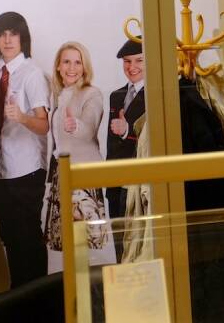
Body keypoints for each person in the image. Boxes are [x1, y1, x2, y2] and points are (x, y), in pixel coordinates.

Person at [0, 11, 50, 287]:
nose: (8, 40)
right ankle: (18, 296)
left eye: (14, 34)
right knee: (9, 237)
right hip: (0, 167)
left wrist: (22, 117)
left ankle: (37, 298)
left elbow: (44, 125)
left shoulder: (33, 74)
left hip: (26, 169)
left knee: (28, 238)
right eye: (2, 34)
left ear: (23, 39)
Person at [43, 41, 108, 252]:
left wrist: (75, 125)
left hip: (82, 176)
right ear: (58, 66)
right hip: (62, 173)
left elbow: (89, 127)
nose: (72, 68)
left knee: (85, 245)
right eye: (67, 62)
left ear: (85, 67)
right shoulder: (58, 95)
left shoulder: (92, 94)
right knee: (68, 245)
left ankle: (88, 277)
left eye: (78, 62)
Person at [107, 38, 146, 261]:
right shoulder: (116, 96)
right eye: (127, 61)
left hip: (139, 186)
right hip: (116, 183)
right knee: (119, 247)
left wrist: (127, 131)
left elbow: (155, 138)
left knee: (139, 249)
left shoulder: (157, 95)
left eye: (139, 60)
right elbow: (110, 144)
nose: (132, 67)